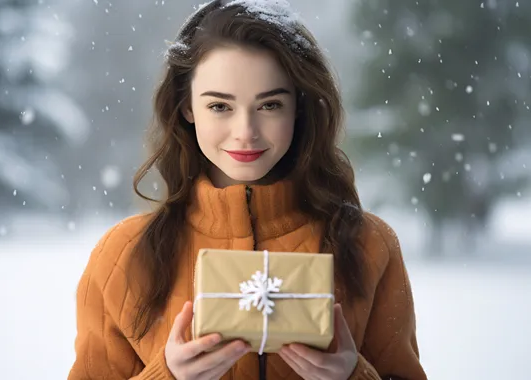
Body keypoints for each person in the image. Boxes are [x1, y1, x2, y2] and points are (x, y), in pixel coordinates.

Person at [68, 1, 428, 379]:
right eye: (220, 106)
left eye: (270, 104)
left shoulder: (369, 245)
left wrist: (354, 376)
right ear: (187, 106)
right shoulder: (121, 256)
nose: (246, 132)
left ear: (299, 108)